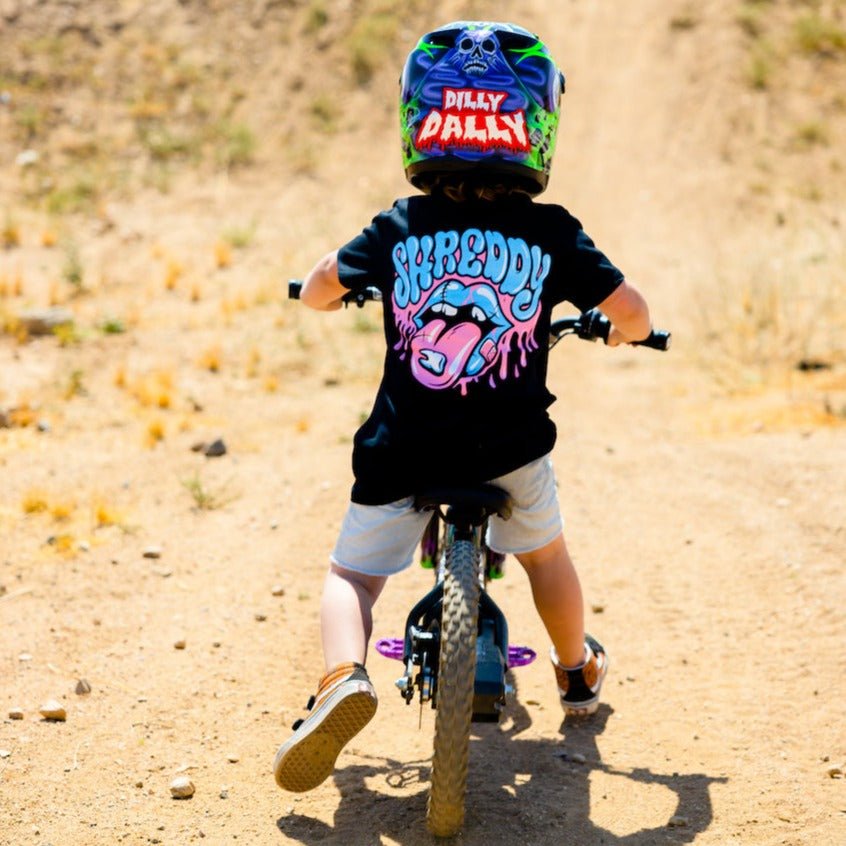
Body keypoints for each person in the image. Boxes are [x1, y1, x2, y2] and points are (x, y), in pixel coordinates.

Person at [274, 20, 653, 793]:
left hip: (401, 447)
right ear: (537, 127)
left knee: (352, 574)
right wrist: (623, 335)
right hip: (508, 450)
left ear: (420, 120)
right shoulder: (553, 234)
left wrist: (343, 290)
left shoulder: (398, 225)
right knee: (547, 556)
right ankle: (577, 671)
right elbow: (636, 312)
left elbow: (317, 290)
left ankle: (343, 676)